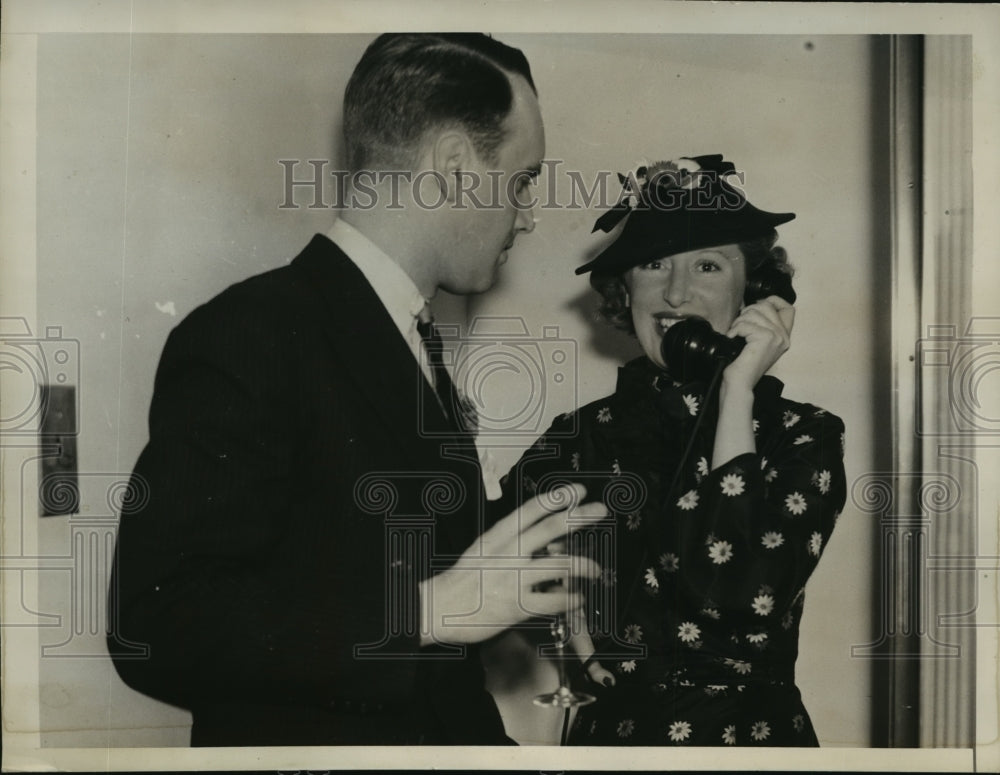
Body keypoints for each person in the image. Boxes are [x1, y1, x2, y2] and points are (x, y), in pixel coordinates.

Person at [107, 33, 605, 747]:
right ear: (457, 168)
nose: (527, 214)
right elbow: (156, 623)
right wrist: (426, 612)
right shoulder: (252, 330)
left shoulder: (400, 332)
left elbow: (361, 548)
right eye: (524, 181)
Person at [495, 155, 847, 746]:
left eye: (707, 265)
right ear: (625, 287)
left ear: (755, 291)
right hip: (612, 742)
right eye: (653, 264)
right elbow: (462, 551)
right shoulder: (585, 435)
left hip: (751, 746)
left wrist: (735, 390)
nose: (676, 292)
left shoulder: (804, 435)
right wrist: (553, 601)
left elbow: (735, 588)